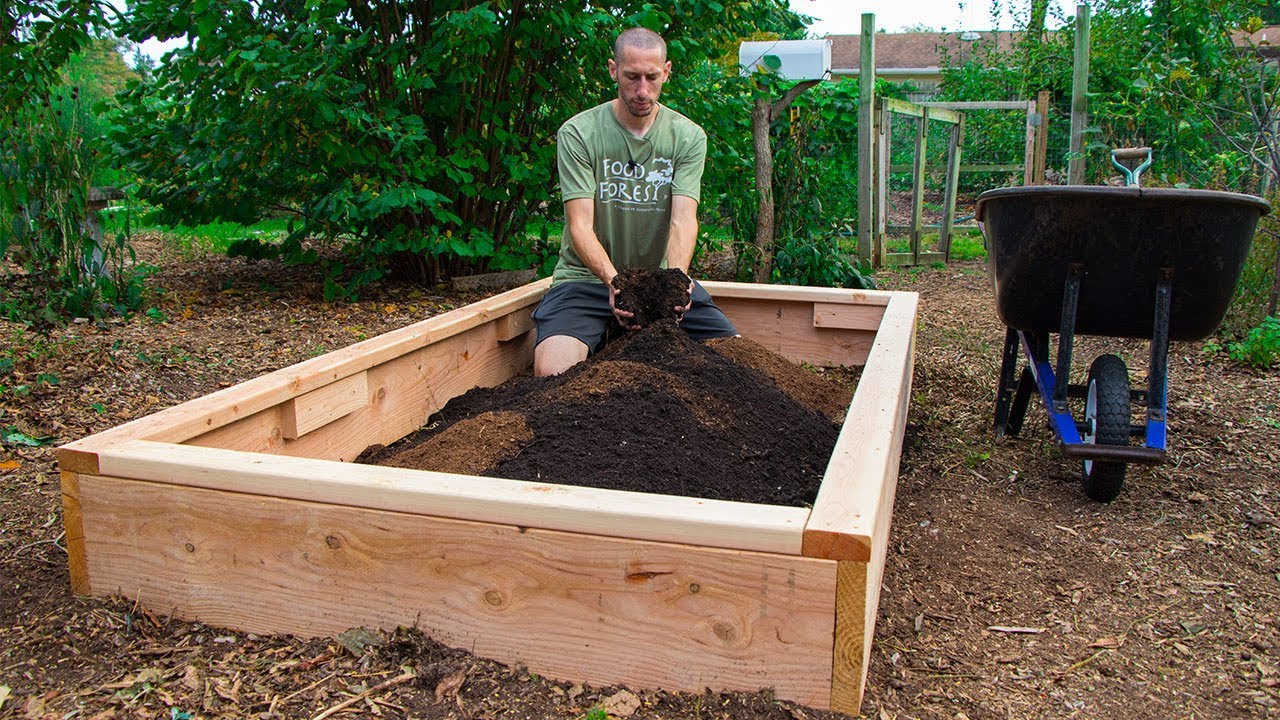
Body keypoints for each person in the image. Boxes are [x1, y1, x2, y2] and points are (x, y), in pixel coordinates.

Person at [531, 27, 738, 377]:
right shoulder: (579, 133)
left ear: (667, 72)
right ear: (613, 70)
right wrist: (615, 284)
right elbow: (579, 224)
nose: (642, 90)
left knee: (737, 362)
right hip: (587, 281)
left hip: (659, 282)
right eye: (631, 77)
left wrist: (676, 281)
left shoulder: (687, 137)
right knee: (552, 374)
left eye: (652, 77)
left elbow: (683, 220)